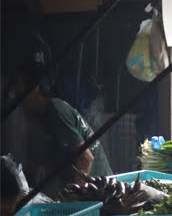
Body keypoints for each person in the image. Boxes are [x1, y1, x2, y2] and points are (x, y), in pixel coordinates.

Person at [9, 57, 112, 196]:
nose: (15, 92)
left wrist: (72, 197)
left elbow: (86, 158)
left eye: (18, 85)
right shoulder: (46, 115)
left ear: (34, 87)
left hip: (99, 188)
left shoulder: (56, 110)